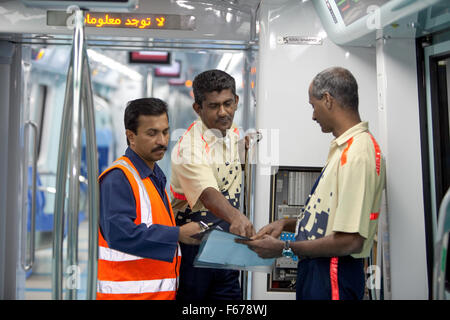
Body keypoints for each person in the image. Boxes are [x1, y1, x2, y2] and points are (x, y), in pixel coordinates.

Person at [239, 67, 386, 300]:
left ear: (327, 99)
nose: (313, 116)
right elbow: (331, 219)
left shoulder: (358, 153)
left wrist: (284, 248)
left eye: (313, 105)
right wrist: (286, 224)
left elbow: (350, 240)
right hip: (320, 269)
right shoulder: (343, 148)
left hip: (334, 272)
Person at [97, 98, 201, 300]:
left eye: (165, 131)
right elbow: (120, 234)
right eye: (152, 133)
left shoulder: (153, 176)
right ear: (131, 137)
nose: (162, 141)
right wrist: (177, 234)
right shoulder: (118, 178)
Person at [170, 69, 255, 301]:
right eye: (213, 106)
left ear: (236, 101)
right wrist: (237, 217)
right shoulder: (189, 147)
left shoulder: (234, 134)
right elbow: (208, 194)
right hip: (193, 253)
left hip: (225, 248)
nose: (223, 112)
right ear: (198, 108)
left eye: (228, 103)